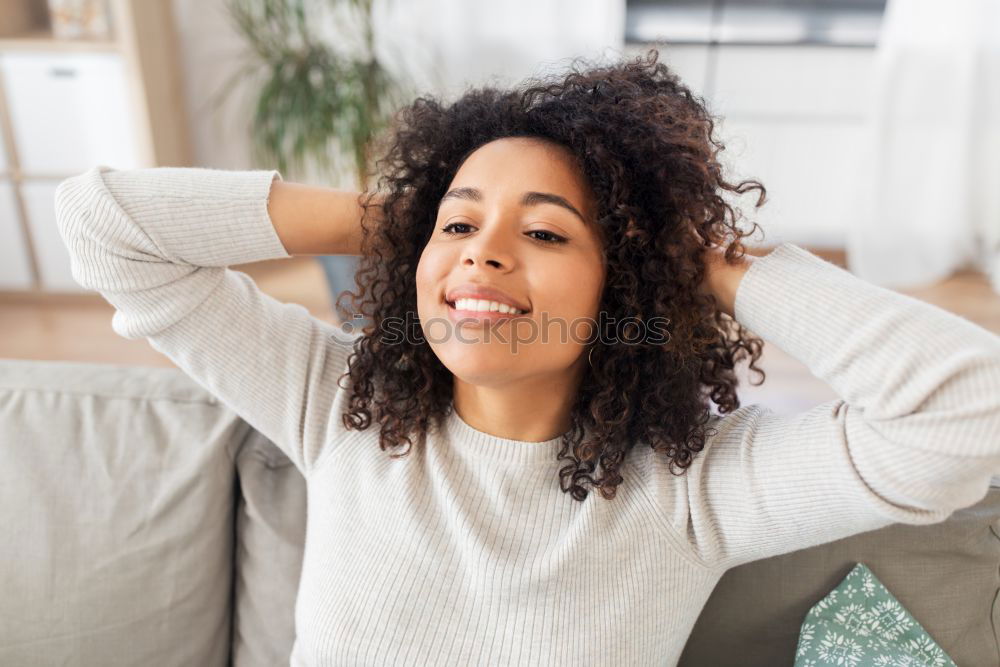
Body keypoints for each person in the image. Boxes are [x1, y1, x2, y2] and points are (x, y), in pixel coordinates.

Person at [54, 49, 1000, 665]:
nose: (482, 252)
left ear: (623, 282)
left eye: (546, 235)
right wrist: (407, 214)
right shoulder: (334, 405)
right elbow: (105, 227)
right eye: (460, 224)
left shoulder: (692, 489)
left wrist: (700, 256)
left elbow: (966, 411)